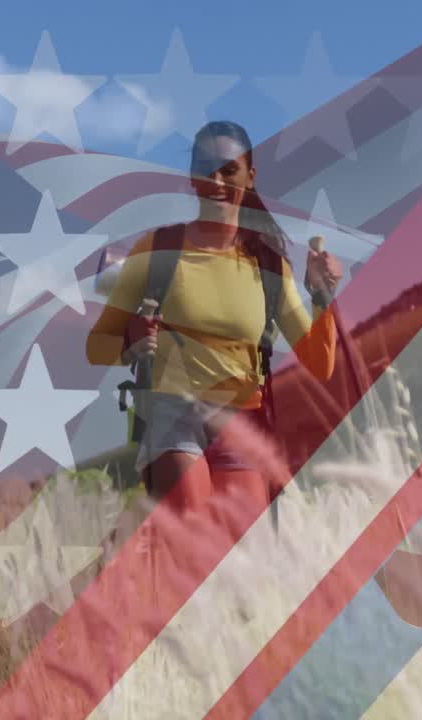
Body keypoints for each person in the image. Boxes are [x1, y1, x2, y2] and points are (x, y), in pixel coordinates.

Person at [86, 120, 343, 525]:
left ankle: (126, 560)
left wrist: (322, 298)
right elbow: (96, 346)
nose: (217, 180)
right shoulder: (157, 249)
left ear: (250, 176)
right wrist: (129, 342)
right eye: (206, 168)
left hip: (243, 417)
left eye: (229, 169)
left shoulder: (270, 265)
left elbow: (321, 363)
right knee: (192, 526)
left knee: (237, 550)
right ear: (192, 176)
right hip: (171, 413)